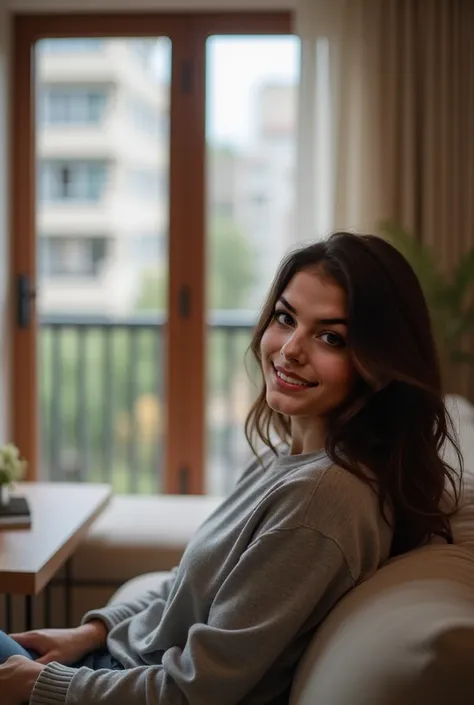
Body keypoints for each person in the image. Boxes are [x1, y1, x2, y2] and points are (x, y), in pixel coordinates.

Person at [0, 232, 462, 705]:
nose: (290, 350)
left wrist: (44, 685)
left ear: (379, 366)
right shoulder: (287, 460)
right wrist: (92, 632)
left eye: (330, 337)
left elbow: (194, 690)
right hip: (106, 672)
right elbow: (185, 589)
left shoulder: (322, 497)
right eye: (285, 318)